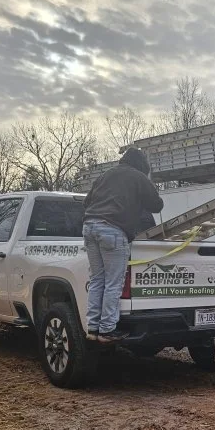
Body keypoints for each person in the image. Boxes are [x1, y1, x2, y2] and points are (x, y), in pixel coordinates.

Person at [82, 147, 164, 343]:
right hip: (113, 230)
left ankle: (92, 328)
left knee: (97, 280)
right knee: (113, 282)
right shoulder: (138, 176)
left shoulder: (105, 175)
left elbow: (87, 202)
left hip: (89, 227)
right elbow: (157, 205)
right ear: (142, 165)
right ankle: (107, 329)